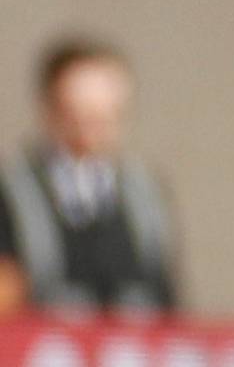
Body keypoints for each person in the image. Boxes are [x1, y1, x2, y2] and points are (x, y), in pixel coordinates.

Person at [0, 38, 181, 318]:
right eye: (79, 114)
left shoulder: (143, 193)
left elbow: (164, 294)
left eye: (106, 116)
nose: (93, 129)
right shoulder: (14, 192)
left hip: (126, 350)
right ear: (53, 108)